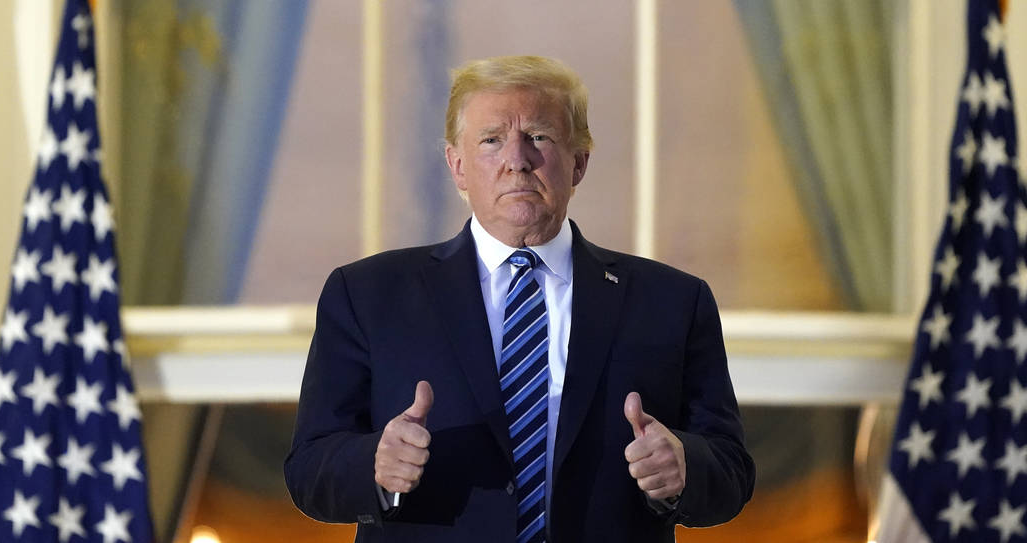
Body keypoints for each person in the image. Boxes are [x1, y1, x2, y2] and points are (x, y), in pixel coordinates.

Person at [285, 55, 754, 542]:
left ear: (579, 162)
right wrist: (375, 468)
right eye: (492, 140)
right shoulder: (366, 294)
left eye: (539, 137)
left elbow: (731, 471)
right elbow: (308, 469)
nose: (517, 159)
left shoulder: (672, 301)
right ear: (457, 165)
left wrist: (683, 468)